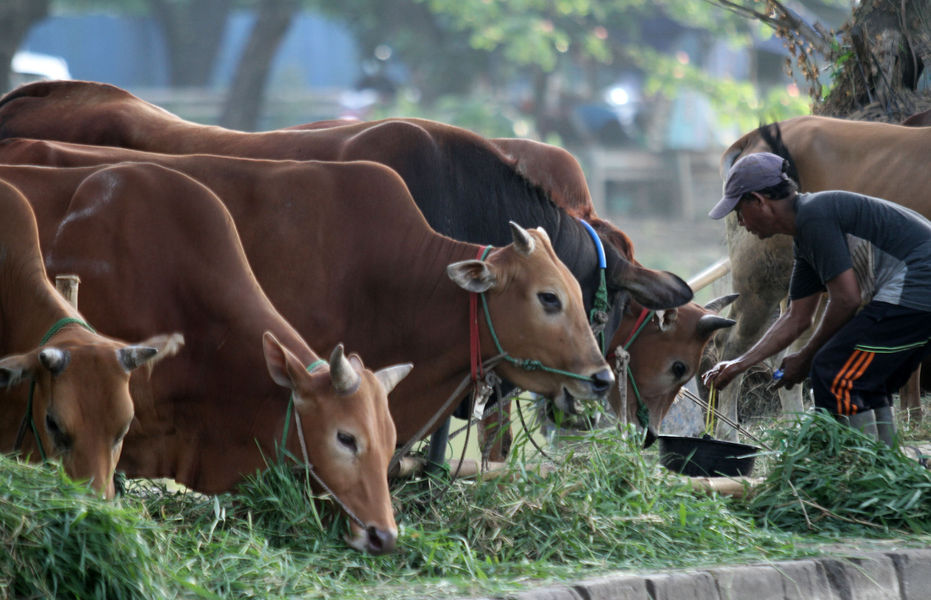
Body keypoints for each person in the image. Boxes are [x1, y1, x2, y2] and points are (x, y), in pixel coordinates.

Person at [702, 151, 931, 447]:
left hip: (918, 283)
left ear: (758, 201)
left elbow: (847, 298)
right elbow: (797, 317)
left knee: (831, 370)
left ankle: (858, 468)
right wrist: (737, 365)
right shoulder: (806, 233)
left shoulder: (815, 216)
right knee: (861, 377)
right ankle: (886, 466)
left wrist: (806, 356)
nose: (742, 223)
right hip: (913, 290)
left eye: (739, 212)